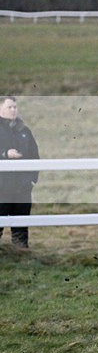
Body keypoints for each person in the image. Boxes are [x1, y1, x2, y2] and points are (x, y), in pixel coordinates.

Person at [0, 96, 40, 248]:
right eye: (9, 107)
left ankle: (21, 254)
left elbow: (34, 155)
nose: (13, 110)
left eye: (15, 107)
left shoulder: (24, 131)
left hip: (22, 188)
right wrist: (4, 154)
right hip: (2, 189)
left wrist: (32, 180)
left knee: (21, 225)